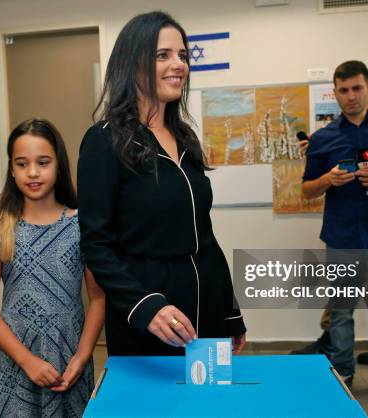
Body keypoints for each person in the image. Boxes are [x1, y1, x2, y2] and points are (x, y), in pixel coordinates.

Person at [77, 11, 246, 356]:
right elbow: (96, 244)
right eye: (163, 55)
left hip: (207, 308)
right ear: (132, 63)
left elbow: (206, 238)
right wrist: (145, 306)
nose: (179, 64)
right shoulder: (103, 141)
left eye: (182, 55)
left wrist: (231, 313)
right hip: (151, 317)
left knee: (208, 409)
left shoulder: (184, 137)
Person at [0, 118, 105, 417]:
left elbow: (98, 298)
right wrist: (26, 361)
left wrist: (83, 356)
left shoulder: (82, 225)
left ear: (58, 164)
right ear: (12, 169)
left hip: (69, 359)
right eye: (22, 164)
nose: (32, 172)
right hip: (15, 360)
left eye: (43, 162)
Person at [299, 60, 368, 389]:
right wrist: (328, 178)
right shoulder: (322, 138)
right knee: (340, 313)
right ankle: (343, 375)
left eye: (357, 88)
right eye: (343, 90)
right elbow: (307, 189)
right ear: (335, 94)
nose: (351, 96)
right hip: (341, 239)